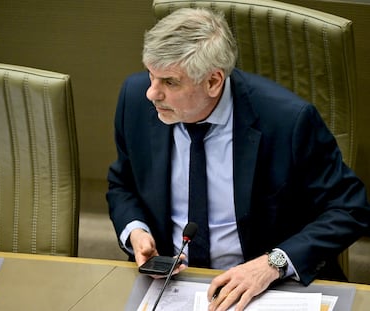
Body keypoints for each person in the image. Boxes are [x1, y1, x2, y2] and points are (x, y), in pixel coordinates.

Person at [106, 7, 370, 311]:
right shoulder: (135, 99)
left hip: (266, 288)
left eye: (169, 82)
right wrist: (135, 230)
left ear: (213, 82)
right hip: (171, 286)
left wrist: (273, 263)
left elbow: (349, 209)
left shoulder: (288, 121)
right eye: (151, 75)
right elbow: (122, 183)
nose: (152, 93)